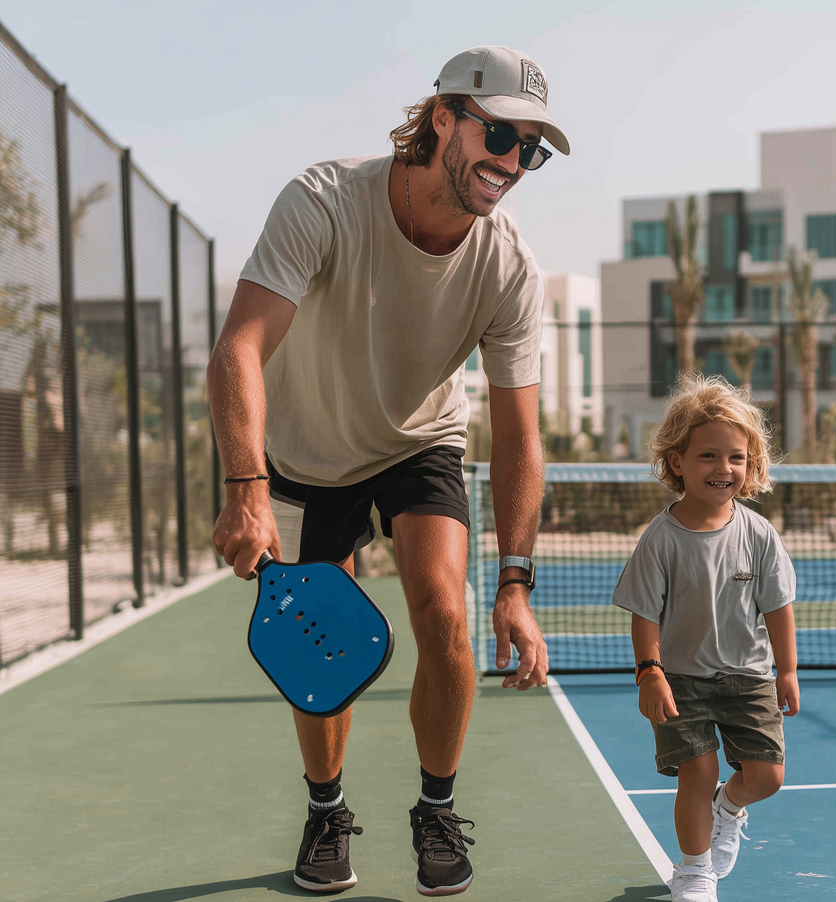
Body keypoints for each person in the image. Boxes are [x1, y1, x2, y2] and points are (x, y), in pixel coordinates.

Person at [207, 45, 569, 897]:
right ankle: (326, 809)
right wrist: (245, 487)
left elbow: (520, 436)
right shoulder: (323, 201)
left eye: (533, 150)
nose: (514, 163)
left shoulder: (510, 265)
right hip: (304, 451)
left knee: (445, 611)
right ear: (444, 116)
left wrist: (514, 582)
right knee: (317, 649)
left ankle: (436, 809)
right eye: (502, 136)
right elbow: (239, 348)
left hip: (421, 439)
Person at [611, 373, 799, 902]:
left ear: (750, 463)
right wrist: (649, 674)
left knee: (767, 777)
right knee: (695, 770)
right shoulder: (659, 539)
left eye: (736, 457)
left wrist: (786, 669)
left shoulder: (760, 534)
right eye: (708, 456)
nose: (724, 469)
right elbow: (644, 615)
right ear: (677, 462)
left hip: (748, 676)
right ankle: (694, 872)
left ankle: (729, 806)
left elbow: (778, 607)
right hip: (680, 680)